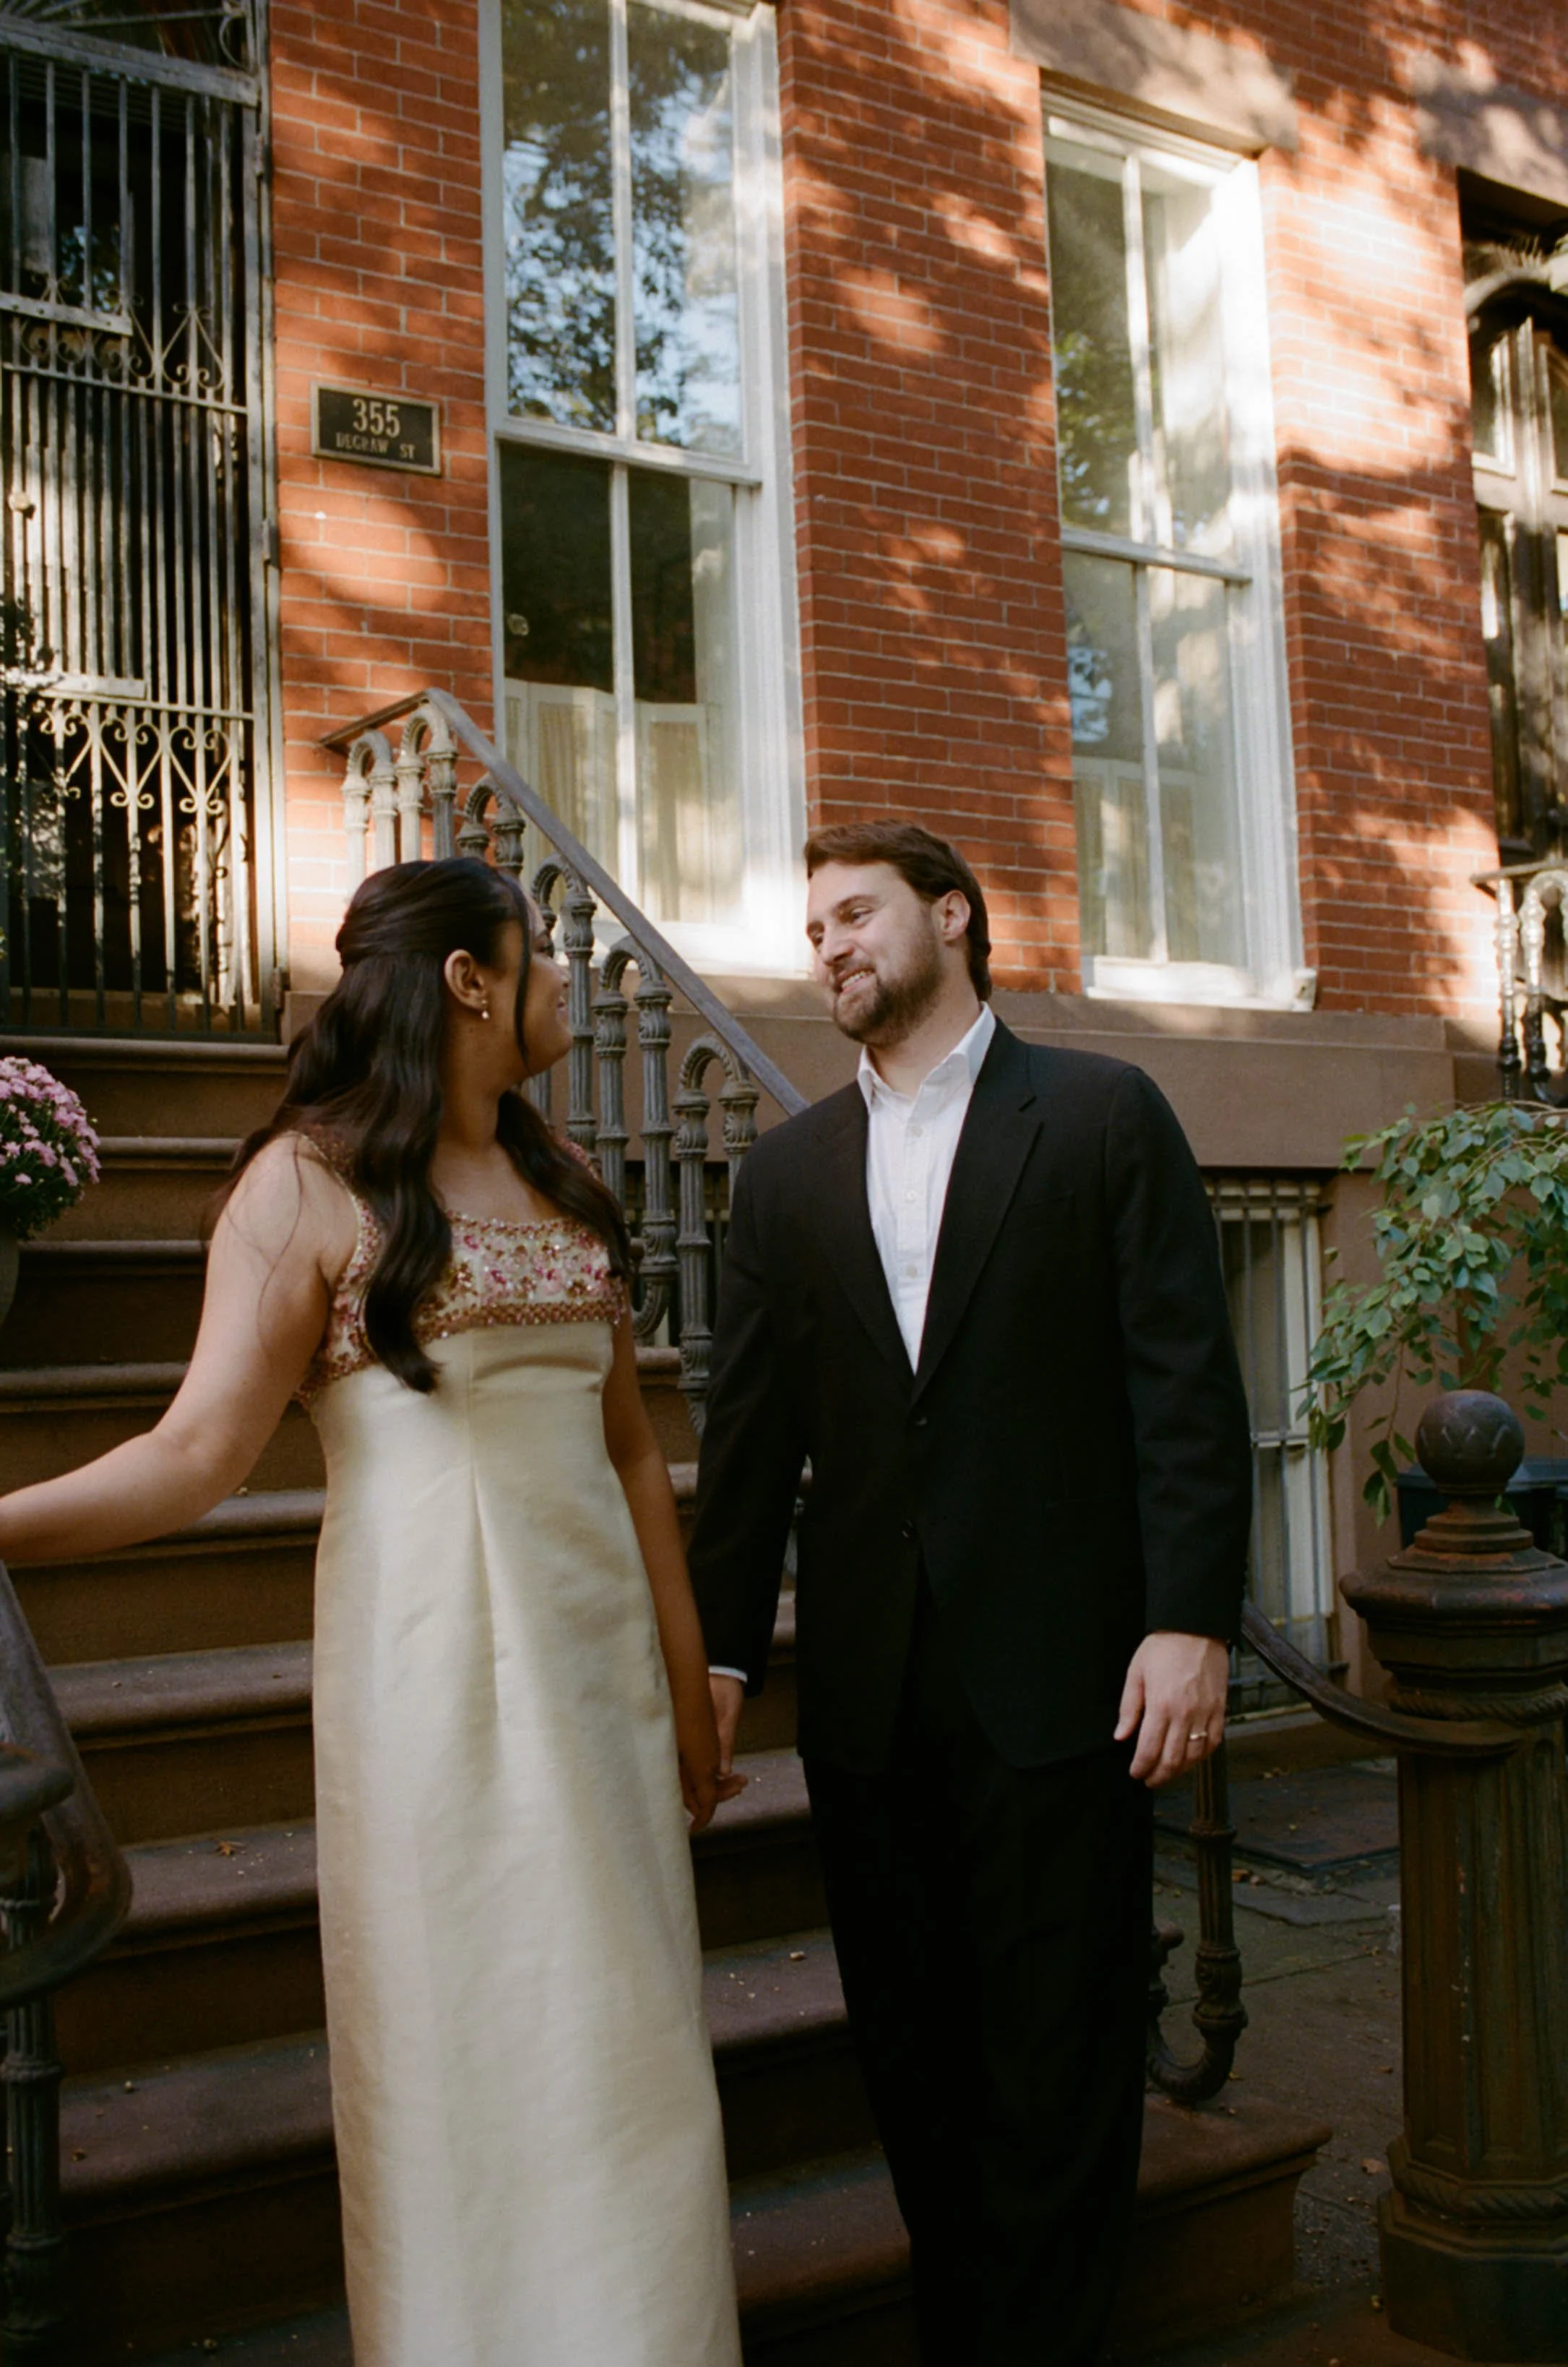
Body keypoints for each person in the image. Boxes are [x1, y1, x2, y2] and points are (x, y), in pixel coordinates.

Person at [0, 857, 744, 2367]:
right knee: (467, 2045)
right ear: (467, 978)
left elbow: (624, 1451)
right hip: (432, 1686)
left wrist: (686, 1675)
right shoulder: (303, 1183)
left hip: (598, 1676)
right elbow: (193, 1453)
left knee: (627, 2053)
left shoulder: (563, 1176)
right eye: (537, 961)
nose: (560, 988)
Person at [689, 820, 1254, 2366]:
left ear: (950, 914)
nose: (829, 946)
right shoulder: (787, 1169)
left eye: (855, 912)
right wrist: (716, 1661)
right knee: (917, 2063)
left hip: (1065, 1680)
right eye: (812, 928)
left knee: (1058, 2062)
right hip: (870, 1699)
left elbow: (1184, 1391)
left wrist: (1187, 1615)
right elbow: (748, 1442)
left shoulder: (1097, 1113)